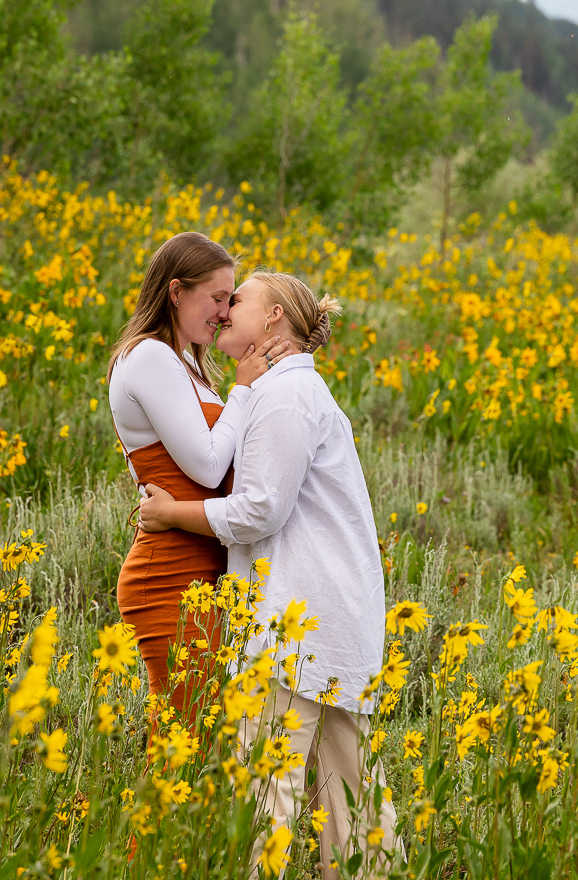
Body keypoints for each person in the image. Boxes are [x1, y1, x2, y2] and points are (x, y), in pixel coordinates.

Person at [139, 269, 397, 877]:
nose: (225, 309)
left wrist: (171, 513)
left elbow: (259, 509)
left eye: (239, 299)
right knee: (353, 805)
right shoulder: (292, 392)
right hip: (328, 621)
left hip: (293, 626)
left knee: (265, 802)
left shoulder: (287, 396)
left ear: (275, 315)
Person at [108, 232, 290, 708]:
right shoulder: (149, 356)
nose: (224, 312)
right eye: (214, 298)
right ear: (175, 292)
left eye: (229, 300)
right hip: (170, 571)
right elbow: (209, 468)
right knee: (179, 741)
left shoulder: (186, 361)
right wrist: (244, 388)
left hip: (203, 570)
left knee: (195, 744)